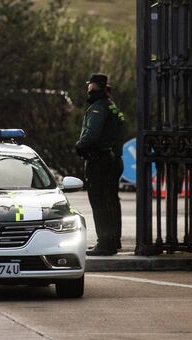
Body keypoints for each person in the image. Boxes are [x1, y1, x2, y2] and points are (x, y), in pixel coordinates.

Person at [75, 73, 124, 256]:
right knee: (110, 200)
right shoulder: (112, 106)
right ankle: (113, 240)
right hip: (112, 157)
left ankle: (105, 243)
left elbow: (92, 133)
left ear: (94, 86)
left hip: (100, 158)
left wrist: (80, 145)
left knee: (99, 202)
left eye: (90, 85)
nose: (88, 88)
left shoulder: (98, 107)